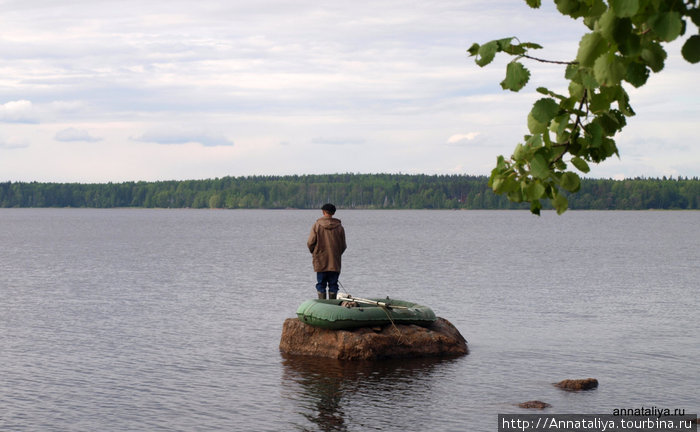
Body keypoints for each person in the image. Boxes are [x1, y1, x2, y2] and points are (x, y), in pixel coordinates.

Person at [307, 203, 347, 299]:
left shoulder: (316, 226)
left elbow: (310, 243)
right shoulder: (340, 227)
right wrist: (336, 254)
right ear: (333, 213)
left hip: (320, 260)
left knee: (321, 284)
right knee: (333, 284)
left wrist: (315, 253)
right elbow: (343, 246)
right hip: (334, 261)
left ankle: (322, 303)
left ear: (323, 212)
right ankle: (332, 305)